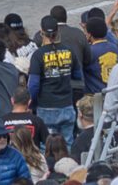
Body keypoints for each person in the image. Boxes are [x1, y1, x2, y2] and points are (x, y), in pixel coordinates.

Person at [28, 15, 81, 145]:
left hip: (46, 107)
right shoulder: (69, 51)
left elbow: (33, 85)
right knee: (67, 142)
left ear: (41, 32)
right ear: (58, 32)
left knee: (46, 144)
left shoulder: (38, 55)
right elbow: (78, 76)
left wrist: (31, 103)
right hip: (67, 105)